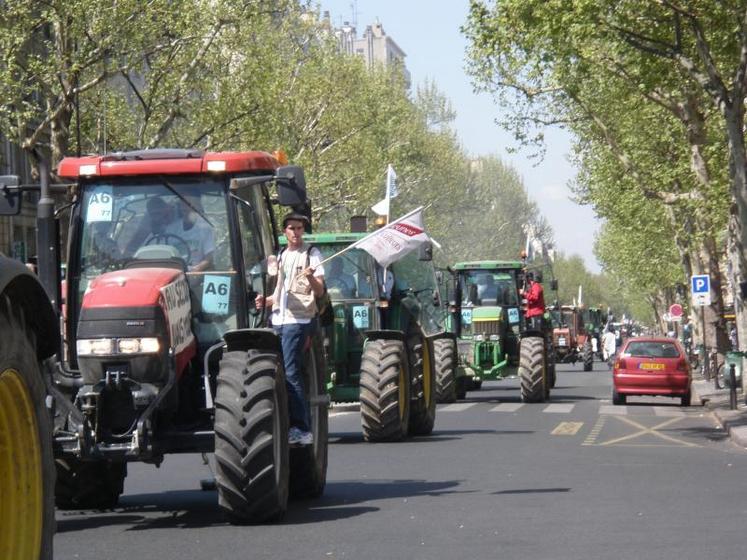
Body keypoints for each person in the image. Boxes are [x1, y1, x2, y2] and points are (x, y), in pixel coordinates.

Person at [255, 212, 325, 446]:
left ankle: (302, 428)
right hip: (278, 319)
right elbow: (279, 292)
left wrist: (312, 277)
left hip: (299, 320)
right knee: (278, 371)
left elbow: (320, 291)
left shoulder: (312, 254)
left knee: (292, 370)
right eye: (292, 228)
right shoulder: (280, 256)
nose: (296, 232)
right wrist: (265, 302)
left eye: (299, 228)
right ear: (284, 232)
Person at [167, 193, 215, 272]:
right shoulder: (171, 229)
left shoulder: (205, 228)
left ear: (196, 206)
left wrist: (195, 270)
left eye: (188, 204)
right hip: (174, 272)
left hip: (196, 272)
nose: (184, 208)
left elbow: (209, 258)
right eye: (182, 204)